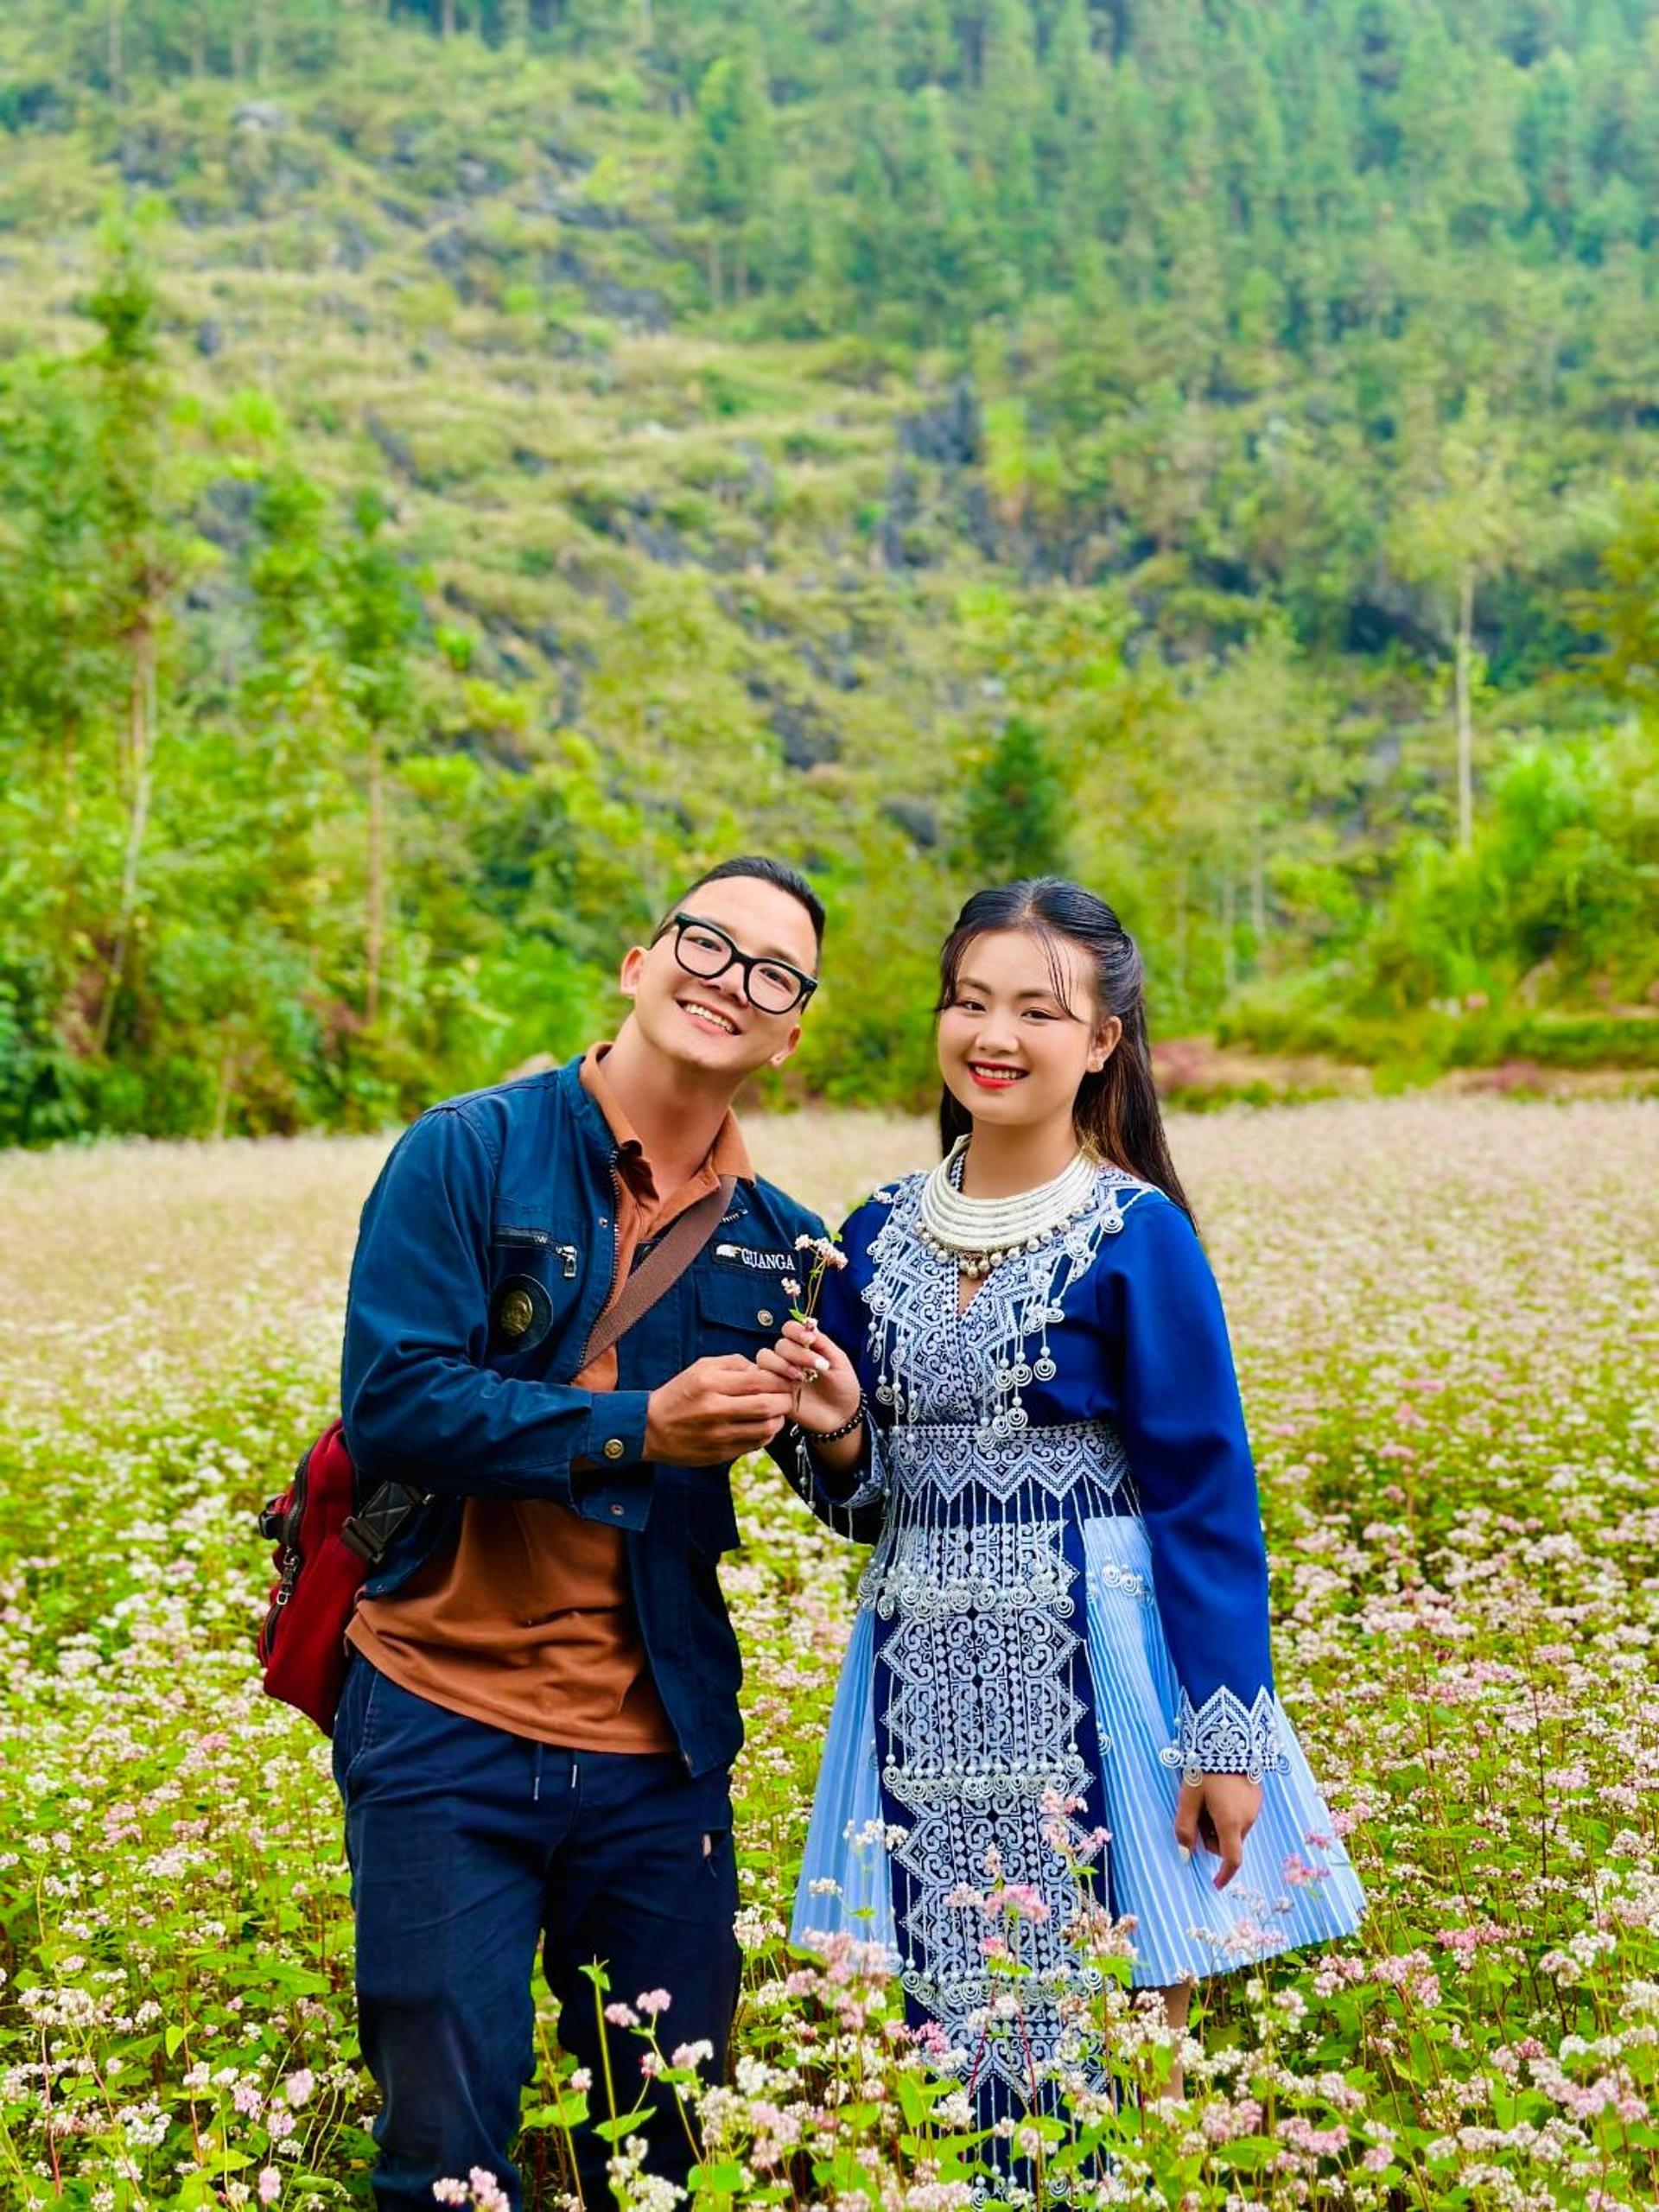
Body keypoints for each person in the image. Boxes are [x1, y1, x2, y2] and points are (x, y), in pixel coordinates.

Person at [762, 877, 1364, 2150]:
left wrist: (1227, 1740)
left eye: (1038, 1011)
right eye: (970, 1001)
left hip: (1109, 1671)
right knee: (943, 2058)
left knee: (1121, 2036)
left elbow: (1206, 1496)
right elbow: (858, 1501)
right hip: (916, 1672)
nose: (996, 1035)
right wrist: (840, 1426)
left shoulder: (1138, 1235)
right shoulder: (870, 1233)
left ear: (1101, 1043)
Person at [331, 858, 829, 2210]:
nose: (729, 983)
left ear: (789, 1036)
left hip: (659, 1758)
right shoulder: (468, 1152)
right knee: (446, 2167)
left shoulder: (784, 1246)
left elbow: (852, 1496)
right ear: (639, 962)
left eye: (772, 976)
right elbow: (393, 1403)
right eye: (707, 945)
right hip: (440, 1722)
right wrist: (635, 1430)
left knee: (664, 2155)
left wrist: (840, 1428)